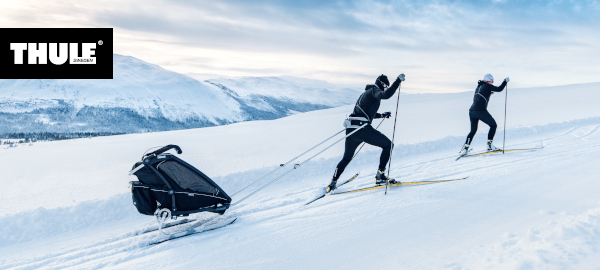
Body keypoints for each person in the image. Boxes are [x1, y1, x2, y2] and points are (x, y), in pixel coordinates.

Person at [327, 73, 405, 193]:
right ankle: (380, 176)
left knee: (346, 158)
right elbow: (386, 95)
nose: (385, 89)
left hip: (352, 129)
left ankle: (332, 183)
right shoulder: (374, 91)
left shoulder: (366, 93)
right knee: (388, 145)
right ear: (382, 84)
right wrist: (398, 81)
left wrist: (382, 115)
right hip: (362, 129)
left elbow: (366, 113)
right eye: (385, 87)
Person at [460, 74, 510, 156]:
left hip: (472, 111)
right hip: (480, 111)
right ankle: (489, 145)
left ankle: (465, 149)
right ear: (489, 81)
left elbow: (481, 95)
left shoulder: (479, 86)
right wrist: (505, 81)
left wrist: (489, 93)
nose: (492, 83)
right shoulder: (487, 85)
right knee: (493, 125)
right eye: (492, 81)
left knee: (473, 131)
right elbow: (499, 89)